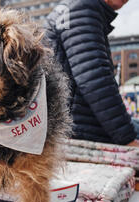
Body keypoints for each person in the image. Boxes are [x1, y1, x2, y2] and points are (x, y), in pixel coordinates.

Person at [45, 0, 139, 146]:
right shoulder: (83, 8)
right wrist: (127, 139)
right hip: (79, 129)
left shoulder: (74, 7)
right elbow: (95, 81)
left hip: (71, 123)